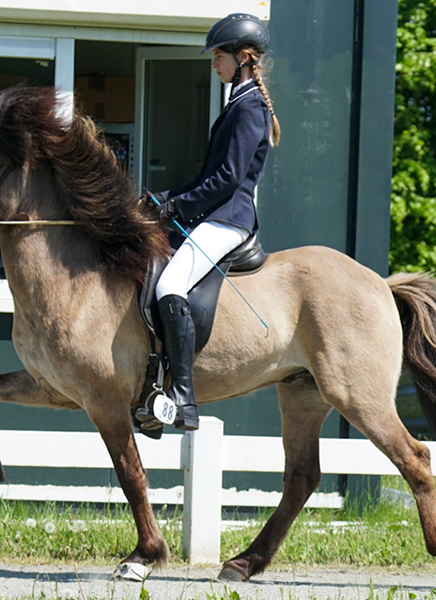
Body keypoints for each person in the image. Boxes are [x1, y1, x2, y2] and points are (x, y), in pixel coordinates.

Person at [145, 13, 280, 431]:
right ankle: (150, 384)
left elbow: (228, 179)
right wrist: (164, 199)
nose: (212, 63)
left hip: (229, 220)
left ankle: (184, 397)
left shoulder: (250, 107)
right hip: (214, 212)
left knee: (170, 285)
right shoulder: (237, 101)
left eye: (218, 56)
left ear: (242, 57)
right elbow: (207, 176)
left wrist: (178, 207)